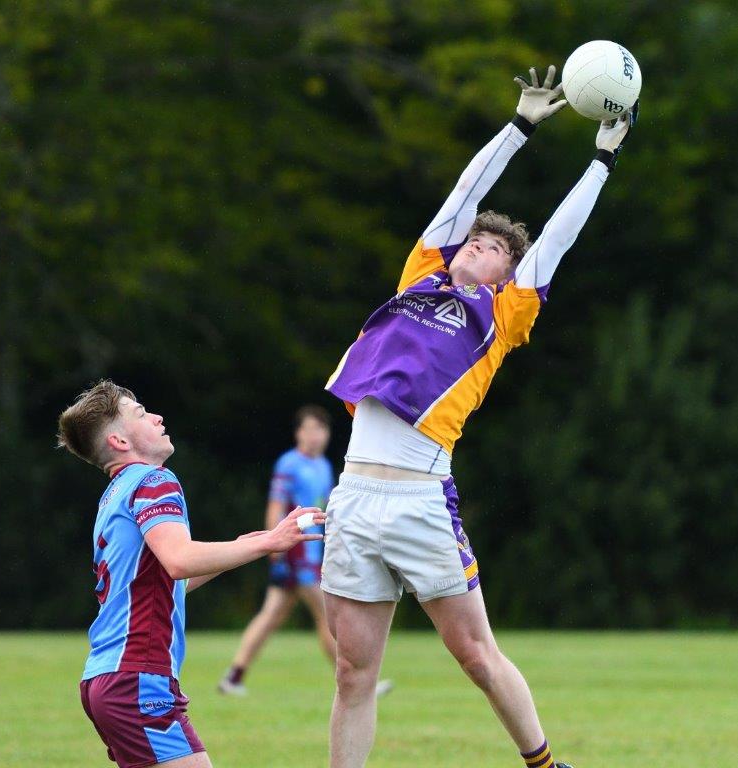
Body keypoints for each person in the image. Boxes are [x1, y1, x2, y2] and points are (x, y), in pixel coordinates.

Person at [321, 65, 638, 768]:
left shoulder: (503, 312)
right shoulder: (417, 279)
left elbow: (555, 237)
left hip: (417, 496)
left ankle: (543, 763)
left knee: (471, 653)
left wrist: (601, 159)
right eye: (475, 240)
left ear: (507, 273)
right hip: (352, 493)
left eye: (495, 247)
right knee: (351, 673)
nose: (478, 244)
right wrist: (519, 125)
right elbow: (464, 195)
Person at [57, 379, 324, 768]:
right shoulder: (153, 480)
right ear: (118, 441)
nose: (157, 416)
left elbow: (165, 579)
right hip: (137, 676)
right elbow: (180, 560)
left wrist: (247, 545)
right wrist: (270, 543)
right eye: (140, 413)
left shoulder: (114, 493)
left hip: (106, 678)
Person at [218, 407, 392, 698]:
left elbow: (324, 509)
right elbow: (276, 504)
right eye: (308, 429)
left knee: (272, 615)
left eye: (320, 430)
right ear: (298, 433)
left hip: (312, 552)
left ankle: (234, 677)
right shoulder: (289, 464)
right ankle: (361, 683)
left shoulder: (323, 466)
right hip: (294, 551)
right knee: (326, 616)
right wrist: (273, 543)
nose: (314, 436)